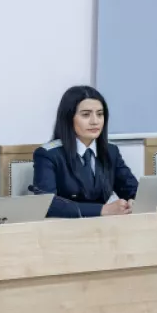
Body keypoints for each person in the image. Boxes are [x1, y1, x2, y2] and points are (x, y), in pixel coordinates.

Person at [31, 86, 138, 218]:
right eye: (86, 115)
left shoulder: (111, 151)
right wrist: (102, 210)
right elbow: (47, 205)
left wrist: (134, 201)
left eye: (100, 114)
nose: (95, 121)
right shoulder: (48, 155)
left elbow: (132, 189)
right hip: (65, 226)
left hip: (104, 226)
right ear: (69, 118)